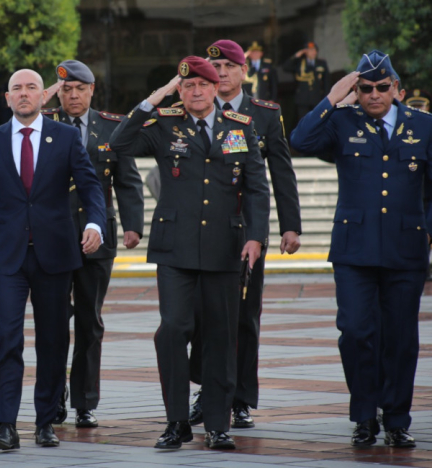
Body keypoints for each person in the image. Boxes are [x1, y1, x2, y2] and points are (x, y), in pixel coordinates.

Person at [289, 50, 432, 448]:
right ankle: (364, 415)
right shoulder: (342, 122)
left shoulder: (424, 125)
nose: (373, 94)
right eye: (364, 88)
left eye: (382, 87)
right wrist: (333, 98)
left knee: (401, 337)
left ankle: (397, 418)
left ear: (397, 89)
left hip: (405, 248)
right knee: (354, 331)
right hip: (354, 249)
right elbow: (300, 139)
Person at [110, 56, 270, 450]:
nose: (195, 92)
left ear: (217, 88)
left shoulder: (240, 128)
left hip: (224, 247)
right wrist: (156, 98)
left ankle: (217, 425)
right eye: (187, 87)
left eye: (202, 85)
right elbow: (119, 143)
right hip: (175, 247)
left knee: (220, 335)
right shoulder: (166, 123)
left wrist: (257, 236)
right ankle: (177, 421)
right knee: (173, 329)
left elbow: (256, 188)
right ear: (179, 91)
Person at [0, 68, 106, 451]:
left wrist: (96, 223)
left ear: (43, 95)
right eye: (18, 88)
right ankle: (5, 425)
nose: (25, 94)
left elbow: (90, 184)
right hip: (7, 257)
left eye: (32, 87)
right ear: (8, 98)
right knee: (7, 338)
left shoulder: (64, 136)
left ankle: (46, 421)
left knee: (52, 340)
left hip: (55, 254)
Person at [188, 40, 301, 429]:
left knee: (244, 316)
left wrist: (290, 225)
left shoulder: (264, 114)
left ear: (243, 72)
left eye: (227, 68)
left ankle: (239, 398)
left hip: (245, 231)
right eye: (213, 68)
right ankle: (208, 390)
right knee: (204, 315)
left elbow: (280, 172)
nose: (219, 75)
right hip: (204, 230)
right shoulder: (194, 107)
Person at [41, 60, 145, 428]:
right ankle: (52, 398)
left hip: (96, 237)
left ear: (91, 90)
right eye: (65, 89)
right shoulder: (44, 124)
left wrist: (133, 226)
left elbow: (127, 180)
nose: (72, 96)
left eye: (79, 89)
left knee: (90, 320)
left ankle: (85, 400)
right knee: (52, 321)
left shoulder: (112, 127)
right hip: (52, 237)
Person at [282, 41, 330, 123]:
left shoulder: (321, 63)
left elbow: (326, 82)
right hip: (302, 99)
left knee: (317, 121)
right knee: (303, 122)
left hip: (317, 98)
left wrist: (326, 98)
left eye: (314, 50)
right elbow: (286, 67)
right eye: (310, 50)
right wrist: (296, 56)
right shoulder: (299, 63)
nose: (313, 52)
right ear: (305, 52)